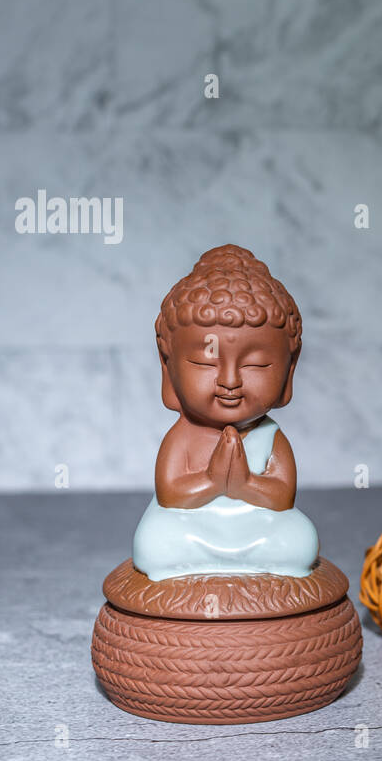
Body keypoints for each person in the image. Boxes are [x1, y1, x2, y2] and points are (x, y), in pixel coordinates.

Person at [131, 245, 318, 581]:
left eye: (257, 364)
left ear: (291, 367)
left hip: (260, 529)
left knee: (300, 541)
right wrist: (212, 481)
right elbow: (170, 494)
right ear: (166, 363)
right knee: (154, 542)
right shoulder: (183, 435)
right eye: (204, 362)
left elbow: (282, 497)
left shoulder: (269, 437)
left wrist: (245, 483)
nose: (229, 381)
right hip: (189, 529)